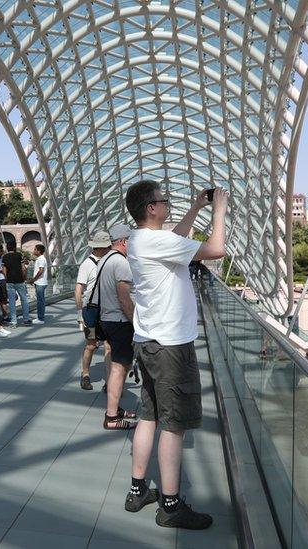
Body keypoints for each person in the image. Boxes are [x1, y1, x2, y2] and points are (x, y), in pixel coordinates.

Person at [123, 180, 228, 530]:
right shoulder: (157, 241)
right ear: (151, 208)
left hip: (148, 341)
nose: (167, 204)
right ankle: (170, 505)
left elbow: (178, 239)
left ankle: (138, 490)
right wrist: (219, 210)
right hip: (171, 346)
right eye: (163, 201)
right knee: (175, 425)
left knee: (149, 416)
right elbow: (216, 249)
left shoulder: (141, 239)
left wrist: (196, 207)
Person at [93, 224, 138, 429]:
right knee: (120, 368)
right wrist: (135, 323)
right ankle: (112, 417)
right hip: (119, 321)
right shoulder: (121, 263)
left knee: (118, 367)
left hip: (107, 320)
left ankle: (115, 408)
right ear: (123, 241)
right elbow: (124, 298)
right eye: (131, 241)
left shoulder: (104, 260)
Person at [75, 231, 112, 391]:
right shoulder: (87, 264)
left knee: (109, 345)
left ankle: (110, 380)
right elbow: (78, 290)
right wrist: (79, 312)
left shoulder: (111, 262)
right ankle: (85, 374)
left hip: (108, 311)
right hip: (90, 312)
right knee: (91, 344)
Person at [2, 246, 31, 326]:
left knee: (11, 302)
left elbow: (4, 270)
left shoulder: (5, 257)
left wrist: (6, 279)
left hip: (10, 282)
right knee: (24, 299)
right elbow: (23, 269)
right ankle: (26, 319)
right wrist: (24, 277)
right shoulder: (19, 255)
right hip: (20, 281)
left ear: (7, 248)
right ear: (14, 248)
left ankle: (14, 321)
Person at [28, 244, 48, 325]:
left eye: (35, 249)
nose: (33, 251)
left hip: (40, 282)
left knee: (40, 301)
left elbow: (41, 270)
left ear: (39, 251)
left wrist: (33, 279)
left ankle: (41, 318)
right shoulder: (40, 258)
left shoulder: (41, 259)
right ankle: (40, 317)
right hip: (40, 282)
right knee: (41, 300)